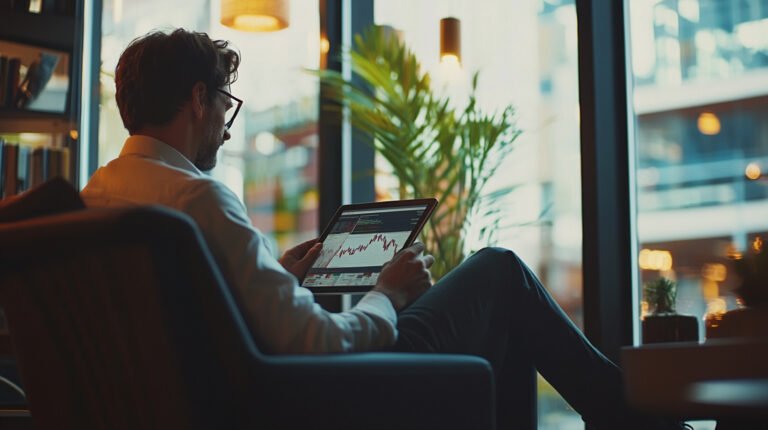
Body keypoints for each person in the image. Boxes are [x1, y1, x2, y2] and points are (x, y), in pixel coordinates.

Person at [82, 28, 683, 430]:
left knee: (498, 315)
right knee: (498, 272)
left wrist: (272, 276)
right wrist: (389, 290)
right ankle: (638, 423)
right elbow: (323, 343)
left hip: (219, 398)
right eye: (225, 105)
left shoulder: (97, 199)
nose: (226, 126)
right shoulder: (198, 197)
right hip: (317, 393)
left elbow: (194, 321)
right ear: (197, 98)